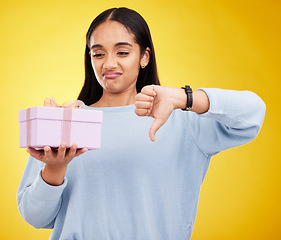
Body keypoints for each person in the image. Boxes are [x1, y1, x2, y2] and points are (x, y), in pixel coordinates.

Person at [17, 7, 266, 240]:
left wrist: (184, 97)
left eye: (122, 52)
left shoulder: (181, 120)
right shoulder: (67, 121)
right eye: (98, 53)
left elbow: (253, 114)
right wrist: (55, 170)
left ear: (144, 56)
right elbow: (35, 217)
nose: (109, 64)